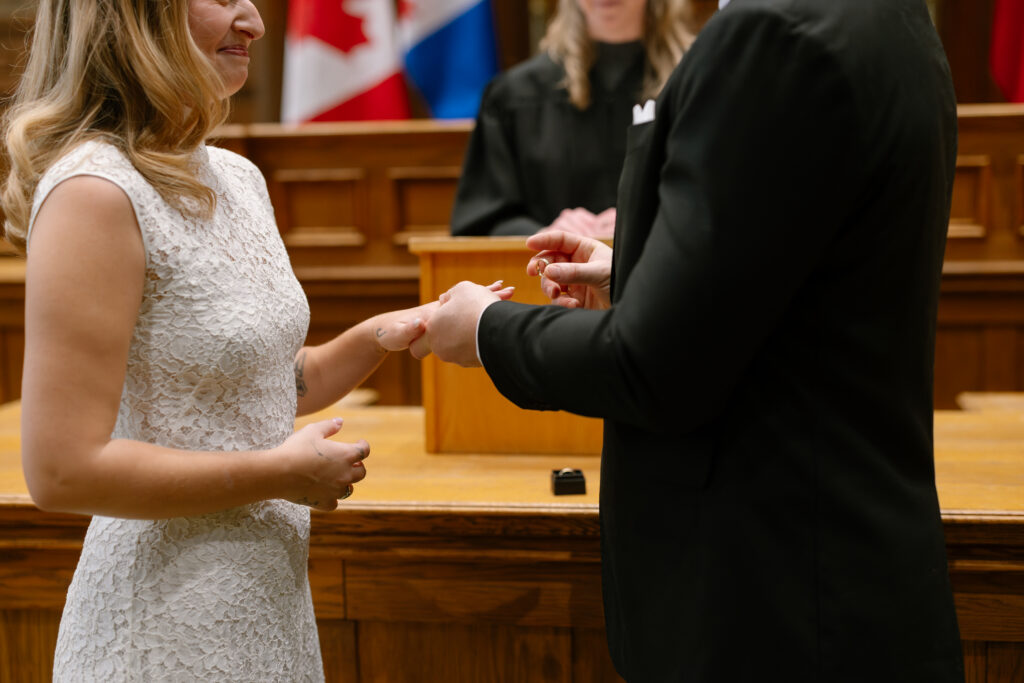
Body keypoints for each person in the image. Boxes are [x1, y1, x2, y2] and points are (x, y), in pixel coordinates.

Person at [415, 0, 965, 679]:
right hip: (858, 572)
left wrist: (488, 329)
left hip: (773, 601)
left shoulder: (773, 34)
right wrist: (636, 273)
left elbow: (652, 366)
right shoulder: (888, 19)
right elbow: (809, 281)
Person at [3, 0, 511, 678]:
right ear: (135, 17)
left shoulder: (236, 176)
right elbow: (62, 468)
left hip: (265, 611)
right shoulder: (94, 192)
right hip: (160, 627)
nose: (254, 21)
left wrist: (379, 336)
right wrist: (280, 472)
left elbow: (261, 378)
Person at [449, 0, 695, 238]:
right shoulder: (514, 96)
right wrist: (547, 237)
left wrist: (648, 223)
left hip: (665, 273)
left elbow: (719, 201)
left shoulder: (696, 85)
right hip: (545, 274)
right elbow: (482, 221)